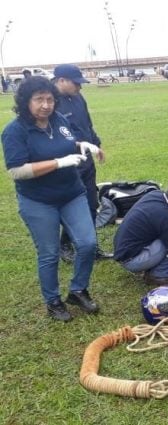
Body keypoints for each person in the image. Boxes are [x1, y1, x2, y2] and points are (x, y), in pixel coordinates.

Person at [1, 76, 101, 321]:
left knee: (87, 244)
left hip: (72, 193)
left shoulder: (59, 120)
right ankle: (53, 301)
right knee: (49, 252)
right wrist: (58, 163)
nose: (46, 105)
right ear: (26, 102)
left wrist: (83, 144)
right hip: (38, 201)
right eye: (39, 100)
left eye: (49, 99)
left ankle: (78, 290)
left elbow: (65, 142)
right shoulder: (14, 131)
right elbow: (17, 170)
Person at [52, 64, 112, 261]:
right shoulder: (49, 103)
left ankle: (91, 247)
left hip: (87, 161)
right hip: (68, 162)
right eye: (76, 83)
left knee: (91, 203)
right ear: (61, 80)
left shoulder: (78, 98)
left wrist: (96, 144)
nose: (80, 87)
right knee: (73, 204)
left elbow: (87, 124)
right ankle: (65, 244)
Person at [113, 179, 168, 286]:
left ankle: (155, 268)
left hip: (125, 251)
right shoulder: (167, 218)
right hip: (133, 260)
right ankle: (160, 275)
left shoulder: (156, 194)